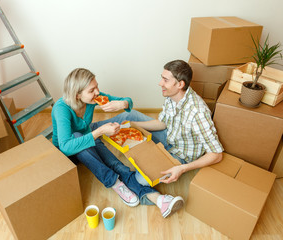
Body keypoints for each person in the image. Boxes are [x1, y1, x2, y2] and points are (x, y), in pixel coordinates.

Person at [51, 68, 184, 218]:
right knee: (78, 136)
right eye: (92, 90)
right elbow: (66, 147)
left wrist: (123, 105)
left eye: (97, 86)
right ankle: (113, 182)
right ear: (77, 94)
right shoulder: (61, 109)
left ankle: (158, 199)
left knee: (116, 164)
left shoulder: (91, 99)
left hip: (88, 137)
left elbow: (128, 101)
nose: (97, 92)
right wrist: (100, 131)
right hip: (69, 153)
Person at [129, 59, 224, 185]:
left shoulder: (197, 112)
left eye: (166, 80)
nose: (160, 83)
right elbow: (162, 123)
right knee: (128, 117)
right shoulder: (171, 95)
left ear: (180, 84)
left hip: (181, 155)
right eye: (162, 78)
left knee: (141, 179)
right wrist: (133, 125)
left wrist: (182, 168)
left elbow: (216, 154)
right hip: (169, 138)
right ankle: (96, 131)